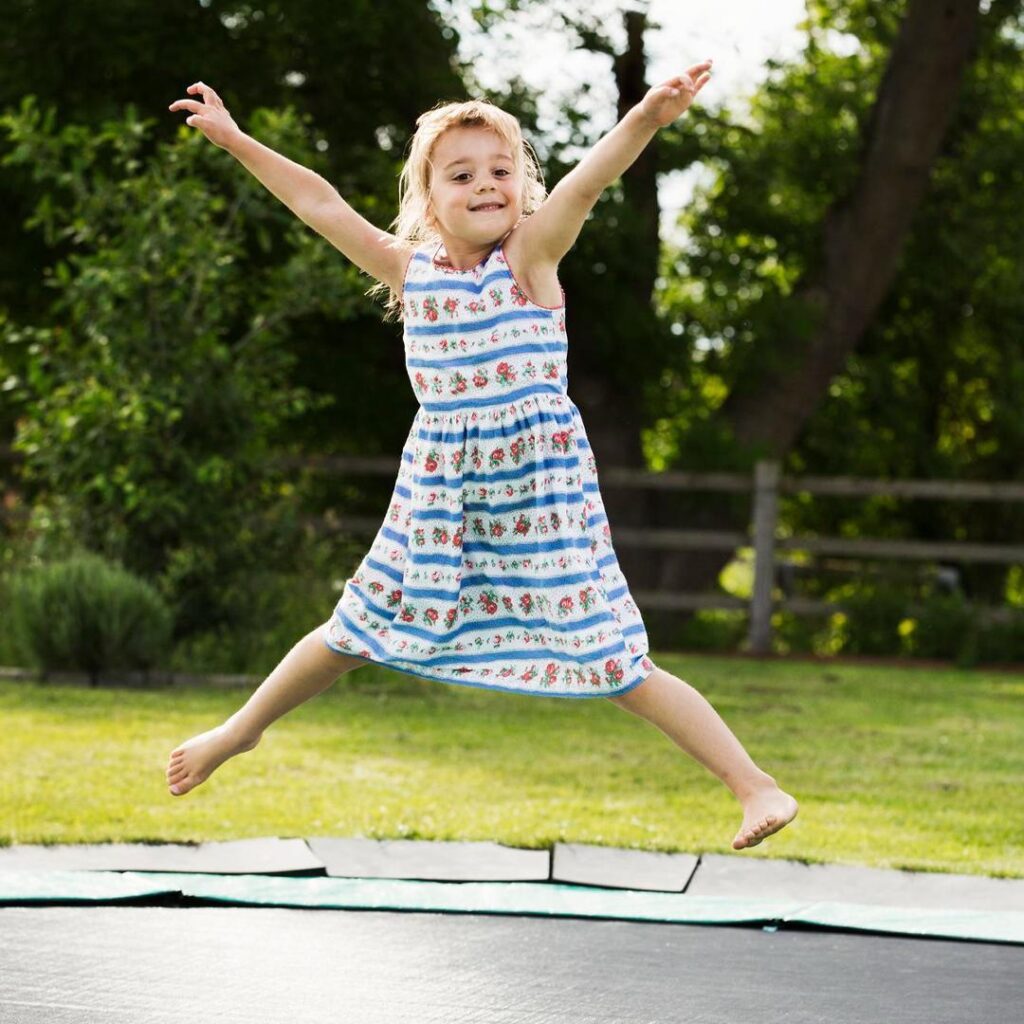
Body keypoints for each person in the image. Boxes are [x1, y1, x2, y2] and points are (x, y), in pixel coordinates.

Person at [165, 63, 798, 851]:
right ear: (429, 200)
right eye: (461, 174)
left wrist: (644, 120)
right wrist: (234, 140)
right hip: (440, 504)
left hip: (540, 504)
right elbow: (317, 202)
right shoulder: (412, 271)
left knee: (616, 660)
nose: (485, 184)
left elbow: (586, 187)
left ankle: (753, 784)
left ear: (522, 187)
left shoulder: (530, 260)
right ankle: (240, 730)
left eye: (502, 170)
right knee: (352, 628)